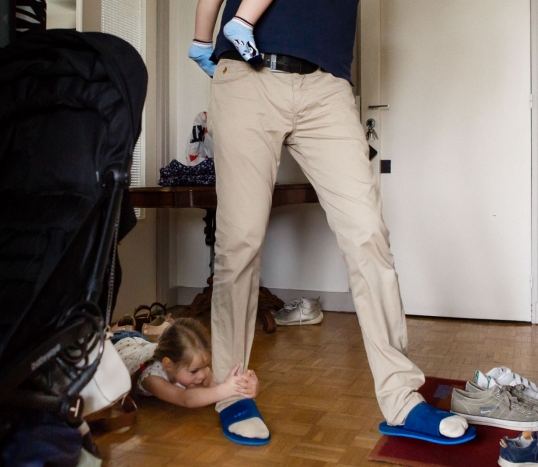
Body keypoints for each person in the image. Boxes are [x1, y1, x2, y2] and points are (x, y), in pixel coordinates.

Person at [188, 0, 473, 446]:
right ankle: (232, 391)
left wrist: (210, 37)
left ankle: (401, 398)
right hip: (246, 78)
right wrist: (202, 38)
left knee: (367, 234)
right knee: (239, 241)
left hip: (326, 85)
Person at [113, 319, 260, 417]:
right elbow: (185, 399)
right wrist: (225, 390)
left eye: (205, 367)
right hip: (117, 343)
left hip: (141, 343)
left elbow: (215, 385)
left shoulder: (187, 364)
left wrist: (245, 386)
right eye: (194, 371)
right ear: (168, 365)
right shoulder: (151, 377)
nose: (203, 375)